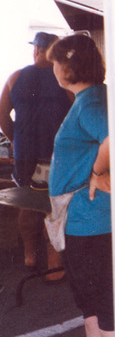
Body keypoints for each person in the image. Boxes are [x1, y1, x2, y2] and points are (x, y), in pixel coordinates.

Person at [47, 34, 115, 337]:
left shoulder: (91, 102)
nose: (53, 68)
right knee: (93, 302)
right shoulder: (95, 97)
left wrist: (97, 171)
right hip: (89, 217)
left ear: (68, 66)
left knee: (103, 304)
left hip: (91, 219)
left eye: (55, 62)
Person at [0, 32, 72, 279]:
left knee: (27, 204)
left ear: (37, 50)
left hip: (25, 154)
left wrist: (16, 139)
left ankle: (29, 255)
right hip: (54, 153)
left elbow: (2, 115)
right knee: (53, 205)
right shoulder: (63, 76)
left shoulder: (15, 77)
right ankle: (53, 260)